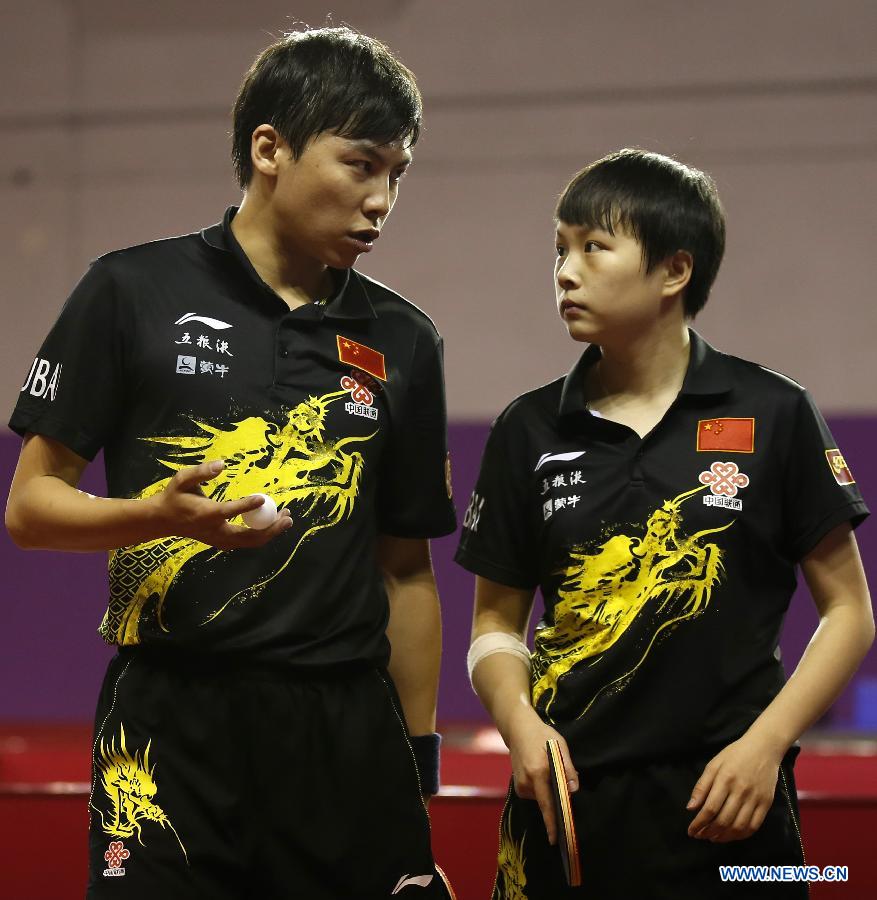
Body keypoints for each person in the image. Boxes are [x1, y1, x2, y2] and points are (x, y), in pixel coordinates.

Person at [6, 26, 457, 900]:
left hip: (345, 730)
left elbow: (406, 573)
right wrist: (159, 516)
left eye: (397, 175)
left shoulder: (405, 338)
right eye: (361, 165)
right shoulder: (129, 291)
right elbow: (31, 507)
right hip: (170, 721)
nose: (381, 201)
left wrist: (416, 765)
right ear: (270, 149)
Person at [455, 148, 873, 898]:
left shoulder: (774, 412)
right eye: (558, 249)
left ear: (673, 272)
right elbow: (492, 623)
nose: (564, 271)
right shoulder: (527, 428)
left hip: (736, 809)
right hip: (564, 812)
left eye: (592, 247)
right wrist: (516, 720)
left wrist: (767, 745)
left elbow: (848, 612)